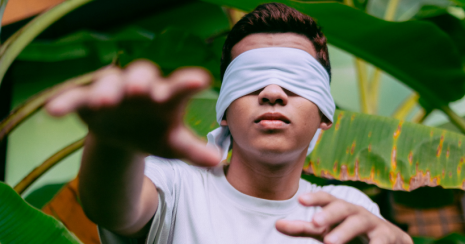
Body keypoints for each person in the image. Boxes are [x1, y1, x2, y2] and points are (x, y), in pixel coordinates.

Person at [46, 3, 413, 244]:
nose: (272, 91)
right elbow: (112, 207)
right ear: (223, 109)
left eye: (296, 81)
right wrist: (114, 143)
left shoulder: (346, 208)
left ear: (325, 115)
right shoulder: (175, 187)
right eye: (250, 78)